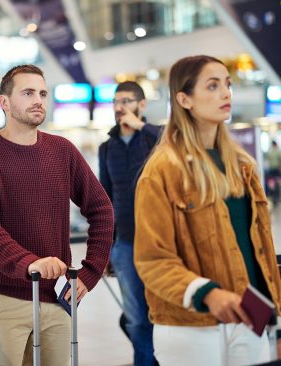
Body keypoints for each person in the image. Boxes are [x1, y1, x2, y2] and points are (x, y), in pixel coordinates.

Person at [0, 64, 114, 366]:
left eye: (43, 93)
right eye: (28, 92)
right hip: (2, 301)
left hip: (56, 302)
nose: (38, 100)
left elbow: (101, 209)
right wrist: (29, 263)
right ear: (4, 102)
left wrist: (90, 272)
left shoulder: (62, 150)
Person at [133, 55, 281, 366]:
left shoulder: (241, 166)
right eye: (212, 86)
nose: (226, 93)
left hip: (247, 317)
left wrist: (275, 315)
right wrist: (208, 293)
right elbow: (152, 260)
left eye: (227, 84)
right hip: (189, 325)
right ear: (184, 99)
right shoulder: (162, 170)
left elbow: (258, 248)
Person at [98, 81, 160, 366]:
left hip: (159, 243)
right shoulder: (107, 147)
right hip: (124, 243)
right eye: (116, 101)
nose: (120, 107)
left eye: (126, 101)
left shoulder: (152, 139)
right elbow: (105, 199)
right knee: (136, 318)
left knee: (155, 310)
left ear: (141, 105)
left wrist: (141, 126)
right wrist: (106, 248)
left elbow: (176, 144)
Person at [264, 140, 281, 205]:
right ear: (276, 145)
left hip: (271, 170)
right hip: (276, 170)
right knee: (277, 183)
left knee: (272, 183)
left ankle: (274, 197)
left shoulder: (270, 152)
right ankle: (277, 197)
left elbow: (267, 159)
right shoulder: (278, 152)